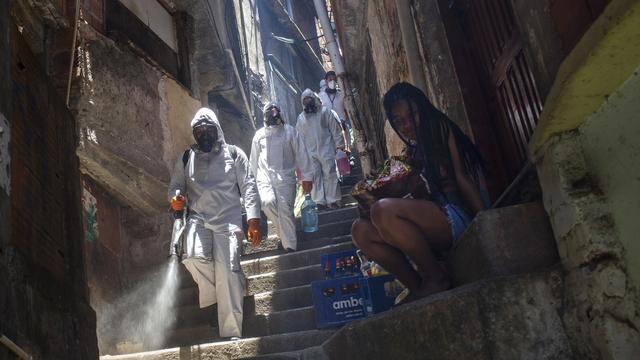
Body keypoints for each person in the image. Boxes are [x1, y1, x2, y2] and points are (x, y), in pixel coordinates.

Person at [351, 82, 487, 304]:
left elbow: (463, 178)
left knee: (383, 210)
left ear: (422, 108)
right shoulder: (411, 152)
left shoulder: (440, 129)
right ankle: (418, 285)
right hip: (429, 223)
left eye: (412, 115)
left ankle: (436, 277)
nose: (408, 125)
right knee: (361, 231)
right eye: (399, 121)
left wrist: (485, 221)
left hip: (454, 216)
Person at [168, 107, 261, 339]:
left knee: (227, 270)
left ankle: (231, 332)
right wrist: (176, 199)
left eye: (208, 129)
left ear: (216, 129)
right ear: (195, 133)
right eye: (199, 130)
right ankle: (227, 288)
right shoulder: (186, 157)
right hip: (198, 219)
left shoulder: (234, 153)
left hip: (228, 220)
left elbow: (248, 185)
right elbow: (176, 185)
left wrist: (253, 219)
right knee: (191, 257)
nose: (204, 134)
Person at [250, 102, 314, 252]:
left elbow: (302, 155)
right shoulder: (259, 136)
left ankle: (290, 247)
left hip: (286, 178)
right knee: (266, 203)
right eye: (270, 112)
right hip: (264, 178)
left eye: (275, 111)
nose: (274, 114)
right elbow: (253, 161)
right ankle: (286, 236)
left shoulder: (290, 132)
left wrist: (307, 177)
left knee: (285, 210)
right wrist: (251, 184)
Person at [296, 89, 346, 210]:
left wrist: (339, 146)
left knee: (330, 174)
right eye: (305, 100)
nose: (308, 102)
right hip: (310, 153)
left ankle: (333, 200)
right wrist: (300, 156)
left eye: (309, 99)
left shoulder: (325, 112)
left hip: (326, 148)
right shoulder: (301, 118)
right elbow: (299, 138)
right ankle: (319, 202)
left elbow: (335, 130)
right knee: (315, 176)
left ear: (314, 99)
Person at [319, 71, 351, 151]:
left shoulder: (342, 95)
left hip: (342, 129)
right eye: (330, 79)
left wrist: (344, 122)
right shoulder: (320, 97)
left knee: (345, 152)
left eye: (334, 79)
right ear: (326, 81)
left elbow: (347, 112)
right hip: (328, 131)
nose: (332, 81)